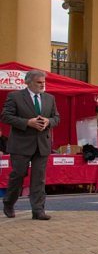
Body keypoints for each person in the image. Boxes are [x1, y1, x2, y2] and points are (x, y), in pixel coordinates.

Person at [2, 69, 60, 220]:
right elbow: (6, 116)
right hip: (21, 145)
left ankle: (38, 210)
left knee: (39, 178)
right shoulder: (15, 96)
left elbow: (56, 117)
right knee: (18, 175)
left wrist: (49, 122)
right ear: (28, 82)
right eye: (38, 82)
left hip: (42, 144)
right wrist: (27, 122)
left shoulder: (49, 98)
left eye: (43, 82)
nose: (42, 85)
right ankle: (9, 203)